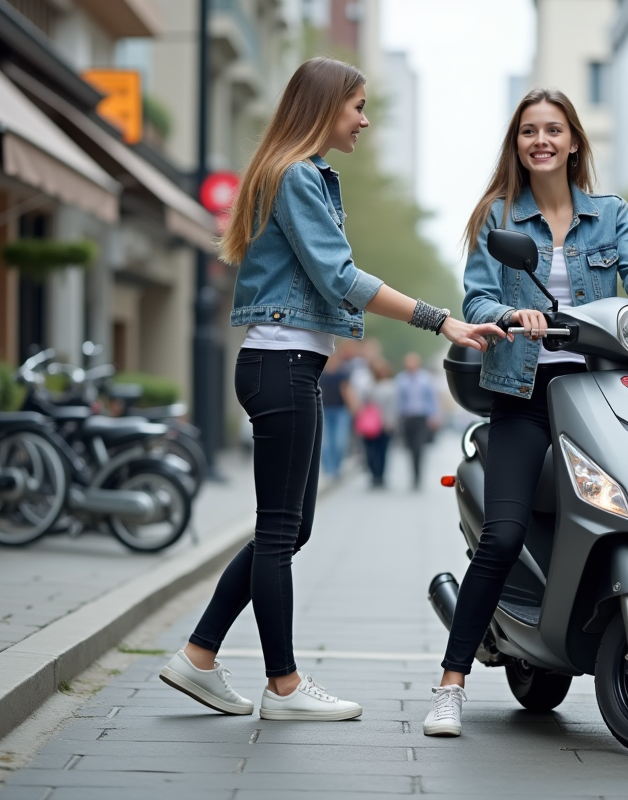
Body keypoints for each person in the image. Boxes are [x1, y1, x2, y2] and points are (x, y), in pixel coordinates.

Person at [159, 57, 504, 723]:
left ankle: (200, 657)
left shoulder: (296, 174)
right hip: (281, 366)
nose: (365, 119)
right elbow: (338, 275)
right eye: (357, 106)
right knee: (281, 529)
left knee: (287, 530)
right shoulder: (295, 176)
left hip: (290, 366)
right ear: (325, 107)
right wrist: (440, 321)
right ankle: (283, 686)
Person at [422, 88, 628, 738]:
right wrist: (507, 314)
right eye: (530, 131)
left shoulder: (609, 215)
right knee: (501, 537)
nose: (542, 140)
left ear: (574, 141)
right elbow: (475, 291)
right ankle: (450, 683)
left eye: (554, 129)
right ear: (518, 144)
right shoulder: (498, 214)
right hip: (525, 395)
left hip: (599, 393)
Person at [396, 352, 440, 490]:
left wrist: (435, 416)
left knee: (418, 447)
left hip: (422, 418)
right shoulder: (401, 379)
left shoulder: (425, 379)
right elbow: (398, 401)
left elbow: (432, 399)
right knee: (410, 448)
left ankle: (418, 477)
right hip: (407, 418)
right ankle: (413, 474)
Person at [356, 357, 397, 488]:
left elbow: (393, 407)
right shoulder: (368, 386)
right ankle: (373, 473)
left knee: (383, 451)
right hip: (370, 424)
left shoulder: (391, 386)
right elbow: (362, 404)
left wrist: (391, 422)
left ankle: (380, 476)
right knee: (369, 450)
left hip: (385, 424)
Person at [319, 351, 354, 479]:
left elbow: (347, 391)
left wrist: (353, 408)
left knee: (340, 442)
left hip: (340, 411)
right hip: (324, 410)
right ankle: (328, 470)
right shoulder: (321, 374)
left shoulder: (342, 374)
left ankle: (336, 468)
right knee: (326, 443)